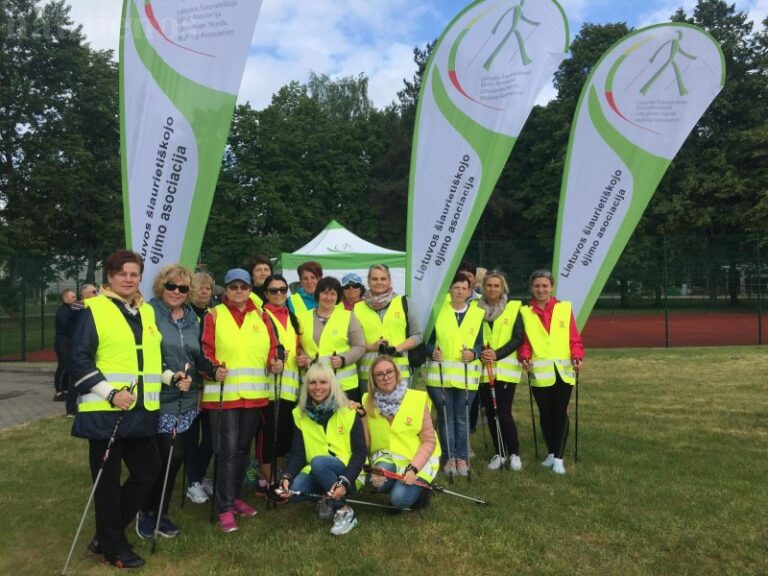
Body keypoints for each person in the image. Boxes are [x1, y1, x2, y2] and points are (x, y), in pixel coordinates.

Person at [69, 250, 162, 569]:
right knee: (107, 484)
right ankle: (114, 546)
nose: (128, 279)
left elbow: (146, 358)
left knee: (149, 469)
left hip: (140, 411)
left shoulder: (145, 312)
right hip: (105, 412)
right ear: (110, 276)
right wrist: (110, 393)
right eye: (121, 273)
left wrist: (169, 376)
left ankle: (105, 535)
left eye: (134, 274)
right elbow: (78, 361)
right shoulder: (92, 309)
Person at [135, 265, 217, 539]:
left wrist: (212, 369)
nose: (177, 292)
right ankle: (147, 510)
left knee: (174, 457)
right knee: (163, 457)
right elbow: (143, 356)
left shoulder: (192, 317)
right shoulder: (149, 312)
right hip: (157, 397)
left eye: (183, 288)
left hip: (186, 397)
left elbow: (196, 355)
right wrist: (170, 377)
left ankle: (159, 511)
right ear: (162, 286)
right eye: (172, 286)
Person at [201, 268, 272, 532]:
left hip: (253, 395)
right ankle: (225, 507)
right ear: (226, 290)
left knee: (243, 449)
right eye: (233, 287)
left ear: (250, 289)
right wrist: (211, 368)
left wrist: (275, 360)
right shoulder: (213, 315)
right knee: (227, 451)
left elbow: (273, 347)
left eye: (244, 286)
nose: (239, 291)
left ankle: (235, 495)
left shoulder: (262, 316)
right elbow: (204, 350)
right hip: (224, 394)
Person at [276, 362, 366, 536]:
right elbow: (298, 453)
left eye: (323, 382)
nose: (318, 387)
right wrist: (286, 477)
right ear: (306, 386)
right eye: (312, 382)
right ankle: (327, 498)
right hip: (317, 470)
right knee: (294, 491)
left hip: (350, 472)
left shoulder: (348, 410)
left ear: (332, 384)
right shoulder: (299, 414)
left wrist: (345, 481)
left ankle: (345, 511)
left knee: (319, 462)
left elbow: (360, 452)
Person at [518, 269, 585, 475]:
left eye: (545, 286)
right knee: (545, 413)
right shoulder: (524, 312)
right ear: (532, 288)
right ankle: (550, 452)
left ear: (551, 287)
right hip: (539, 370)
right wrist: (525, 357)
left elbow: (573, 337)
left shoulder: (564, 308)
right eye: (537, 286)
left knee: (560, 412)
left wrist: (577, 355)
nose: (541, 289)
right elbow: (525, 341)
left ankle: (558, 458)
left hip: (564, 370)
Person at [425, 272, 484, 477]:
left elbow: (480, 342)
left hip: (466, 377)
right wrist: (432, 351)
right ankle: (449, 457)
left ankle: (462, 458)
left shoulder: (477, 314)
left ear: (470, 291)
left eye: (464, 288)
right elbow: (427, 340)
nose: (460, 291)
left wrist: (475, 353)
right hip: (438, 376)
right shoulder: (437, 311)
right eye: (456, 287)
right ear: (450, 290)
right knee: (445, 417)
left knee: (462, 418)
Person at [364, 355, 439, 509]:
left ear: (397, 373)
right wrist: (372, 470)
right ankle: (396, 485)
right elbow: (365, 441)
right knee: (376, 483)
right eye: (379, 374)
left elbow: (429, 441)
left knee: (397, 500)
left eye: (389, 372)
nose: (385, 377)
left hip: (417, 459)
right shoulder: (367, 402)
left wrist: (413, 468)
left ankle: (421, 490)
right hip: (389, 458)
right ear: (373, 379)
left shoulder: (416, 399)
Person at [255, 273, 302, 489]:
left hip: (289, 388)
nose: (279, 294)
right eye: (274, 290)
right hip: (269, 387)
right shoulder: (260, 316)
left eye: (283, 290)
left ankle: (280, 478)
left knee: (283, 437)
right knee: (267, 436)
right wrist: (268, 362)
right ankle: (269, 479)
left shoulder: (291, 316)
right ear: (265, 293)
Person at [477, 270, 525, 471]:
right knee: (491, 413)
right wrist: (481, 352)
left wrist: (497, 354)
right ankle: (499, 453)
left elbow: (518, 337)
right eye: (489, 285)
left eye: (497, 285)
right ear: (483, 287)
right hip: (483, 369)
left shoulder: (514, 307)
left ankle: (514, 453)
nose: (492, 289)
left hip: (505, 369)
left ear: (503, 287)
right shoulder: (475, 308)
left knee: (503, 413)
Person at [354, 264, 423, 393]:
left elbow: (417, 335)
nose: (379, 282)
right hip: (368, 374)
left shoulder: (404, 302)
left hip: (398, 373)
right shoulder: (357, 308)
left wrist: (397, 348)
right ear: (368, 281)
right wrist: (372, 346)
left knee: (400, 412)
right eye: (375, 279)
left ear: (389, 280)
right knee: (371, 412)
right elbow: (353, 341)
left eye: (383, 279)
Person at [296, 276, 365, 402]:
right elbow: (298, 345)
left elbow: (360, 346)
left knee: (345, 421)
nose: (328, 297)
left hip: (344, 385)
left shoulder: (348, 316)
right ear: (318, 294)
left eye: (333, 294)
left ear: (338, 297)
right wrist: (302, 357)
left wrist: (343, 360)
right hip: (314, 385)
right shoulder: (303, 318)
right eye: (325, 293)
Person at [184, 271, 216, 504]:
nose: (204, 291)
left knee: (212, 436)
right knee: (191, 435)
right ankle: (192, 481)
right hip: (192, 384)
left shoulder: (213, 313)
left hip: (211, 384)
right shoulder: (185, 314)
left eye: (208, 288)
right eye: (200, 287)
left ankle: (201, 474)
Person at [65, 284, 98, 416]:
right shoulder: (78, 306)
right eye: (93, 292)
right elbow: (77, 306)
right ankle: (71, 409)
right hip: (79, 348)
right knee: (75, 378)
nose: (97, 294)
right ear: (85, 294)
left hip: (93, 346)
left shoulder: (94, 306)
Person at [54, 289, 77, 401]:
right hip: (63, 343)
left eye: (75, 296)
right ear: (66, 298)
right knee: (63, 366)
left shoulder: (71, 309)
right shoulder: (63, 311)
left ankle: (65, 389)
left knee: (68, 367)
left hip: (68, 342)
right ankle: (59, 392)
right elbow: (68, 327)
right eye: (72, 297)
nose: (75, 299)